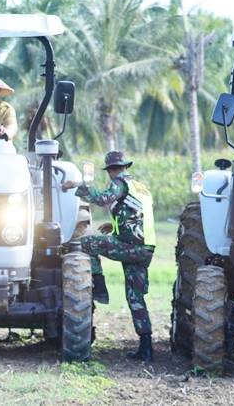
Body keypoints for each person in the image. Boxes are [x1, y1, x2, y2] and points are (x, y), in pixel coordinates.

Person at [61, 150, 156, 362]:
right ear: (125, 166)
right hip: (145, 249)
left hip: (130, 247)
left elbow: (103, 199)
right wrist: (113, 227)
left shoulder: (120, 182)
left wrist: (77, 185)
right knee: (135, 297)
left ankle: (99, 285)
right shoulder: (140, 187)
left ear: (112, 170)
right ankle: (146, 347)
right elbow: (138, 216)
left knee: (86, 243)